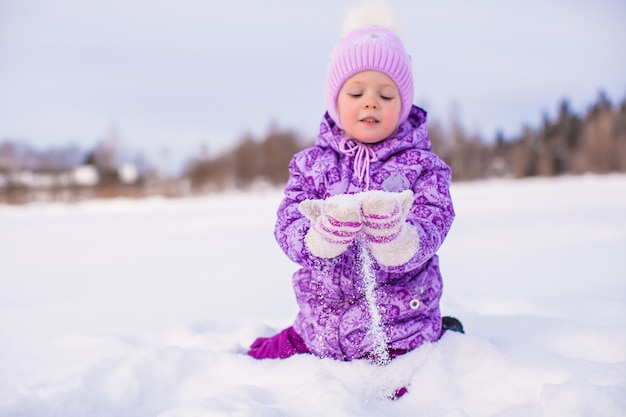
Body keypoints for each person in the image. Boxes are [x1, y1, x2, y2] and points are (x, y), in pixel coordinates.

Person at [248, 23, 461, 364]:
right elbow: (288, 222)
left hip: (400, 329)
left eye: (386, 95)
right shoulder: (310, 165)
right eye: (356, 93)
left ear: (403, 104)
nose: (371, 103)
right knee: (255, 361)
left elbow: (434, 218)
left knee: (403, 393)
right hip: (319, 327)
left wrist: (400, 240)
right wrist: (319, 239)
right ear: (335, 101)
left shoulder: (422, 166)